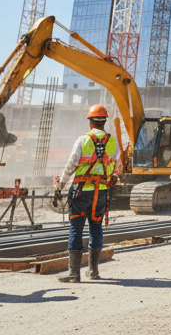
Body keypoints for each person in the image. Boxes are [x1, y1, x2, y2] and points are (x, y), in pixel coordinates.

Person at [53, 103, 118, 283]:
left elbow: (71, 165)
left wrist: (60, 187)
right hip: (101, 193)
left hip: (81, 193)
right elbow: (115, 167)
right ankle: (94, 271)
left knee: (76, 228)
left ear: (90, 121)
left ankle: (74, 274)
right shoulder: (112, 142)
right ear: (104, 122)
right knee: (96, 227)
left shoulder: (83, 140)